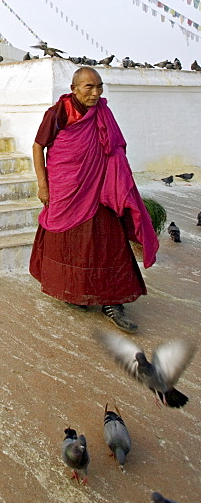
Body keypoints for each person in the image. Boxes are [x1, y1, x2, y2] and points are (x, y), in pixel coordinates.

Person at [29, 67, 158, 333]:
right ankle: (75, 292)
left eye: (99, 86)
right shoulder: (58, 113)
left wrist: (116, 179)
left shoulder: (103, 113)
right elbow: (38, 146)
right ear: (74, 87)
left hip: (100, 189)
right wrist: (43, 186)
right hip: (67, 189)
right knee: (69, 242)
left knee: (108, 242)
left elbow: (114, 146)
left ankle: (113, 302)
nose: (96, 93)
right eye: (89, 87)